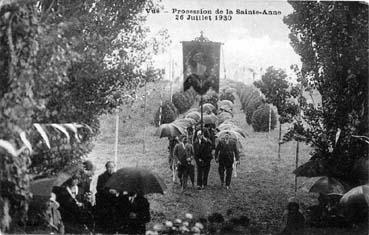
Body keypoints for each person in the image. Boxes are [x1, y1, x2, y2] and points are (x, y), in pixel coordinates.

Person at [95, 161, 119, 233]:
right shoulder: (101, 177)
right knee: (106, 224)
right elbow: (99, 189)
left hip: (115, 202)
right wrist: (109, 191)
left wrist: (117, 191)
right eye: (109, 167)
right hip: (105, 203)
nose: (111, 169)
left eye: (112, 167)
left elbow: (120, 188)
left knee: (114, 224)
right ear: (106, 168)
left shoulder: (117, 177)